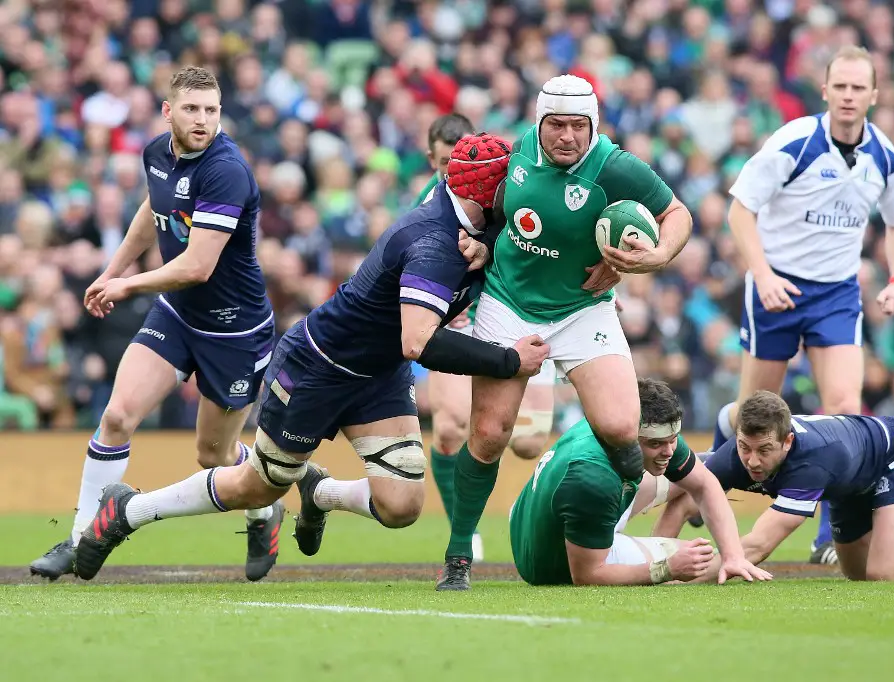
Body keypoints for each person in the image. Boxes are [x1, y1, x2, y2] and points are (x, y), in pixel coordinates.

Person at [72, 134, 551, 581]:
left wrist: (491, 246)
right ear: (486, 194)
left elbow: (515, 241)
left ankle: (319, 493)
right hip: (319, 366)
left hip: (377, 373)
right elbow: (418, 344)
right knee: (259, 487)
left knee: (403, 505)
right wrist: (507, 360)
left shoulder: (472, 227)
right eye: (508, 186)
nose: (519, 197)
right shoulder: (435, 243)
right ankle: (128, 510)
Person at [436, 74, 695, 590]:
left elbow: (676, 214)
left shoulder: (616, 166)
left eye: (580, 126)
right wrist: (475, 245)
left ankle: (613, 523)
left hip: (584, 307)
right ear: (540, 122)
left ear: (593, 127)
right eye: (557, 124)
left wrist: (657, 256)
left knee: (623, 428)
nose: (568, 136)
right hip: (508, 304)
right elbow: (454, 201)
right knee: (489, 435)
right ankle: (459, 555)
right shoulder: (508, 155)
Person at [30, 66, 282, 583]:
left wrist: (126, 286)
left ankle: (264, 509)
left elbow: (197, 267)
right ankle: (79, 539)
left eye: (212, 109)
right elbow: (154, 210)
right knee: (118, 415)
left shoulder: (226, 170)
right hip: (176, 312)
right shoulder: (156, 154)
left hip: (234, 331)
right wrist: (112, 269)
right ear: (168, 111)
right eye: (192, 109)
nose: (203, 120)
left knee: (212, 455)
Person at [709, 46, 894, 564]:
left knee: (844, 407)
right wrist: (762, 275)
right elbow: (740, 211)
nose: (848, 96)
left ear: (874, 94)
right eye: (839, 86)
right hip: (777, 285)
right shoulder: (795, 142)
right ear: (824, 91)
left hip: (837, 292)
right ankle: (717, 457)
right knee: (753, 413)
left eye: (857, 88)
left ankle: (829, 533)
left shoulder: (885, 158)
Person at [416, 114, 556, 563]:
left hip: (514, 316)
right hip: (458, 323)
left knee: (530, 441)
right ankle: (465, 529)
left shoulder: (512, 195)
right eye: (443, 164)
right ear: (434, 160)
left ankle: (521, 508)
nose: (453, 175)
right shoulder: (431, 204)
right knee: (452, 426)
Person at [677, 390, 894, 582]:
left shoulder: (811, 463)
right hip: (848, 480)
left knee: (885, 574)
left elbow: (758, 544)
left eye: (764, 451)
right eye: (745, 447)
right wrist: (659, 564)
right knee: (857, 574)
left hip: (893, 455)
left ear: (787, 441)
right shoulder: (736, 453)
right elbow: (683, 499)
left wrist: (682, 578)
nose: (752, 461)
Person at [510, 378, 772, 586]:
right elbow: (588, 575)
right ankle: (655, 551)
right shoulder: (592, 477)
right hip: (551, 563)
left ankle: (664, 539)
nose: (669, 450)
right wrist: (666, 570)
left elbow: (704, 484)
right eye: (656, 444)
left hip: (530, 517)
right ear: (630, 437)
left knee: (699, 469)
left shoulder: (631, 424)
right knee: (698, 561)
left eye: (673, 440)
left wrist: (734, 555)